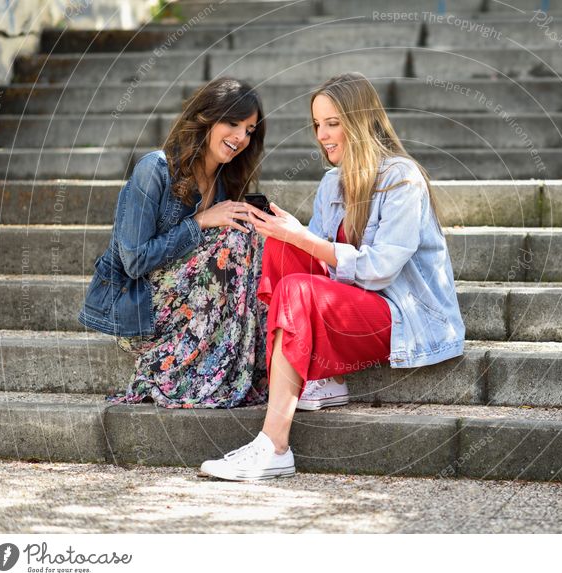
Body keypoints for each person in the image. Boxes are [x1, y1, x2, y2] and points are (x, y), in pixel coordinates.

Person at [199, 72, 465, 481]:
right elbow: (321, 265)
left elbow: (378, 272)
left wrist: (306, 238)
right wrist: (294, 235)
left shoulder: (401, 179)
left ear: (359, 122)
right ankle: (323, 377)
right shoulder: (331, 183)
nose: (322, 135)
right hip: (351, 307)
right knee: (280, 248)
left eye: (333, 123)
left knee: (296, 281)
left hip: (401, 316)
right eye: (318, 124)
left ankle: (274, 445)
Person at [78, 77, 269, 409]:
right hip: (140, 311)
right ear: (206, 117)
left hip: (195, 309)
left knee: (252, 238)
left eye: (249, 130)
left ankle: (248, 365)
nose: (240, 137)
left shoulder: (226, 183)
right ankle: (189, 370)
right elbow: (134, 260)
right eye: (233, 123)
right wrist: (199, 222)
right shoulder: (155, 170)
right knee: (235, 242)